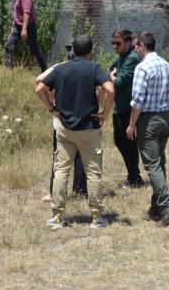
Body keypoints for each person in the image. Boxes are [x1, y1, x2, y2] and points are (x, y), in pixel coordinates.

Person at [36, 35, 114, 229]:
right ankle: (97, 217)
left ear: (72, 51)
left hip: (65, 128)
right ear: (90, 51)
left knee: (61, 170)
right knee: (93, 172)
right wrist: (104, 113)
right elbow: (110, 89)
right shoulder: (95, 68)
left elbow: (40, 88)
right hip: (89, 128)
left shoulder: (61, 68)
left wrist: (52, 109)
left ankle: (57, 216)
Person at [125, 32, 169, 227]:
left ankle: (166, 209)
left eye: (135, 46)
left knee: (152, 166)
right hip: (165, 118)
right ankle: (156, 206)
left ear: (141, 46)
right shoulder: (167, 65)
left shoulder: (142, 68)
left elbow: (138, 100)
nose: (134, 50)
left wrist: (131, 124)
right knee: (159, 162)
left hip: (149, 121)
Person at [36, 61, 87, 203]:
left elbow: (39, 80)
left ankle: (56, 192)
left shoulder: (59, 70)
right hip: (82, 118)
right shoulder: (87, 68)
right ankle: (81, 190)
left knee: (60, 158)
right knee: (81, 156)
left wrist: (52, 97)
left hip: (62, 119)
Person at [109, 29, 145, 189]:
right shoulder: (121, 57)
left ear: (128, 44)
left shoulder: (131, 59)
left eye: (118, 43)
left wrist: (113, 77)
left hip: (127, 108)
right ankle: (133, 175)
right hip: (119, 106)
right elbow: (109, 72)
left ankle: (134, 177)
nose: (115, 46)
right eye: (113, 43)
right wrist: (112, 75)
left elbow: (118, 82)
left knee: (128, 142)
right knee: (119, 140)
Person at [5, 0, 48, 72]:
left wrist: (24, 29)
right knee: (9, 46)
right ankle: (9, 70)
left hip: (28, 27)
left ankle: (45, 71)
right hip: (17, 27)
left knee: (35, 50)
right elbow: (16, 15)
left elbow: (26, 13)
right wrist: (11, 31)